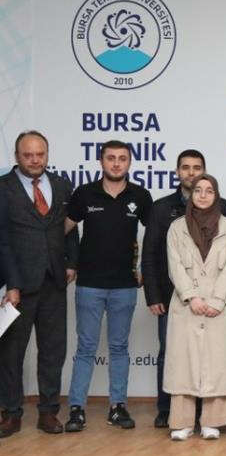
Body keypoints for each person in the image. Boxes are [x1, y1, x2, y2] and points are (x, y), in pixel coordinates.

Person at [64, 140, 152, 433]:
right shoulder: (84, 193)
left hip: (124, 285)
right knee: (86, 347)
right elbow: (62, 230)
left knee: (119, 347)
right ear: (101, 161)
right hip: (89, 284)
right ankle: (76, 409)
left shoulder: (140, 196)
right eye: (111, 158)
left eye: (122, 158)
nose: (116, 163)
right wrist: (70, 261)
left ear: (129, 162)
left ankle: (118, 407)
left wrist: (144, 270)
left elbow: (155, 237)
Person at [141, 150, 226, 428]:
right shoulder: (162, 208)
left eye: (197, 167)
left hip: (215, 299)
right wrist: (154, 295)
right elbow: (152, 254)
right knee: (173, 355)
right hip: (176, 297)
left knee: (212, 356)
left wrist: (218, 298)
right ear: (177, 171)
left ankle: (208, 416)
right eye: (186, 167)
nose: (191, 173)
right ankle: (167, 410)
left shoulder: (225, 210)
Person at [0, 131, 79, 437]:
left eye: (40, 154)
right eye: (28, 155)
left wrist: (71, 262)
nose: (34, 160)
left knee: (53, 351)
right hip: (18, 286)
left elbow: (70, 228)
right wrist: (12, 284)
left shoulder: (61, 185)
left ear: (47, 154)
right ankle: (11, 413)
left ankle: (48, 412)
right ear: (17, 156)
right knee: (11, 354)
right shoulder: (3, 188)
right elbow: (2, 241)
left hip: (54, 281)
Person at [163, 174, 226, 441]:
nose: (203, 195)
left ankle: (212, 421)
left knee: (216, 363)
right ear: (191, 194)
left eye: (209, 191)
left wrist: (217, 300)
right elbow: (174, 266)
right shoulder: (176, 228)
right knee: (183, 364)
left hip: (220, 307)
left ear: (216, 195)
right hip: (187, 306)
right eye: (198, 190)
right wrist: (192, 297)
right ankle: (182, 422)